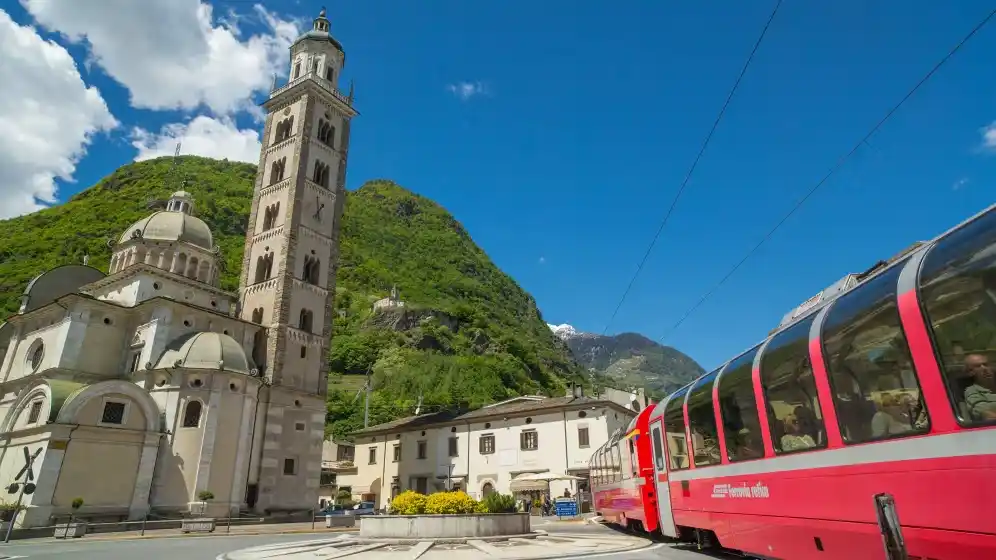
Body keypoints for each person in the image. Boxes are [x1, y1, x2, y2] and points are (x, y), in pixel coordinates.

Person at [964, 354, 996, 421]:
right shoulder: (972, 391)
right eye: (978, 366)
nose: (984, 368)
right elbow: (988, 415)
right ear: (970, 372)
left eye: (986, 364)